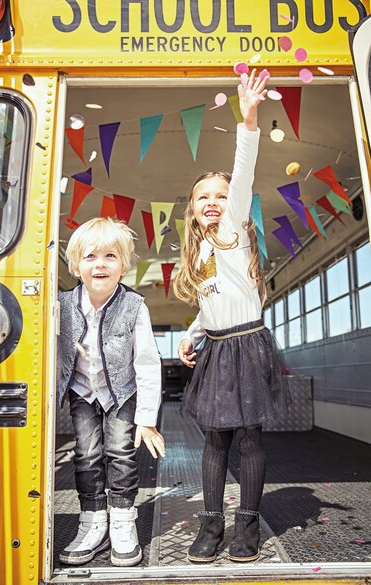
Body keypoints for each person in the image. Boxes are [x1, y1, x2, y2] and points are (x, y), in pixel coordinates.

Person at [173, 69, 288, 564]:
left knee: (249, 437)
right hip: (217, 345)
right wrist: (193, 332)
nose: (215, 202)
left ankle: (247, 529)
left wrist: (249, 117)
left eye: (221, 196)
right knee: (215, 438)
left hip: (248, 341)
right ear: (193, 211)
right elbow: (210, 302)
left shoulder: (235, 234)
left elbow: (243, 171)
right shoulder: (198, 258)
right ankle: (211, 526)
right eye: (205, 198)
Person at [57, 217, 165, 567]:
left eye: (109, 256)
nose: (99, 264)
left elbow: (147, 362)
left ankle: (122, 521)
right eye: (90, 257)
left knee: (120, 453)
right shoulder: (61, 304)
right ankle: (92, 522)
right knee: (86, 456)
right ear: (76, 265)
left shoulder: (135, 307)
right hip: (83, 390)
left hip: (122, 393)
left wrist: (147, 420)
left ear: (124, 265)